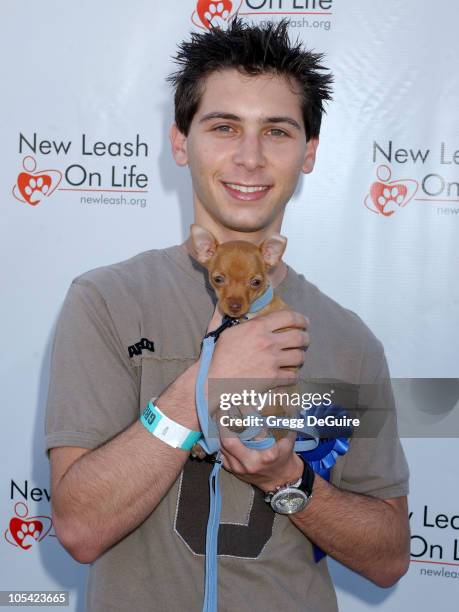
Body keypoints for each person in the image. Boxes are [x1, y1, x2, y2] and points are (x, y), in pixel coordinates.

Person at [46, 19, 410, 612]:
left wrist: (288, 480)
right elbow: (80, 528)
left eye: (277, 132)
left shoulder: (351, 340)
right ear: (181, 142)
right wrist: (207, 381)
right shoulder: (106, 301)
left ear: (309, 154)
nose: (249, 158)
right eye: (223, 127)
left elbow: (389, 555)